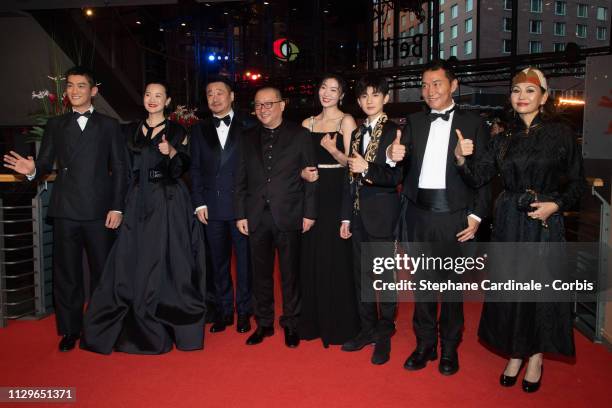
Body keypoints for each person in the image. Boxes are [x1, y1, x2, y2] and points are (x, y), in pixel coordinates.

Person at [454, 67, 585, 392]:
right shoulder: (502, 139)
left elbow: (578, 183)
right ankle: (515, 352)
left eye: (529, 91)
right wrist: (459, 159)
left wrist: (556, 205)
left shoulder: (561, 134)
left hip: (543, 222)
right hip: (510, 222)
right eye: (516, 91)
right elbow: (477, 177)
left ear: (544, 95)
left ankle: (536, 356)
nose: (522, 97)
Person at [3, 66, 127, 352]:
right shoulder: (56, 124)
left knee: (102, 273)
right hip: (66, 209)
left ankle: (101, 326)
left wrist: (118, 207)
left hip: (99, 210)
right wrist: (33, 170)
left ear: (93, 91)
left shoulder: (109, 125)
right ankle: (70, 330)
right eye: (70, 86)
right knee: (67, 274)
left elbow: (121, 169)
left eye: (81, 86)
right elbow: (45, 163)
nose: (74, 91)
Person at [80, 81, 206, 354]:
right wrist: (118, 206)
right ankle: (132, 308)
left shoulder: (178, 130)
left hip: (168, 200)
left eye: (159, 95)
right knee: (132, 256)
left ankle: (167, 309)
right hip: (137, 199)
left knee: (168, 257)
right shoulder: (129, 130)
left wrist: (171, 153)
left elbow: (184, 166)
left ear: (167, 100)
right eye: (148, 94)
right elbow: (122, 171)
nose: (152, 99)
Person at [386, 60, 490, 375]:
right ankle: (425, 345)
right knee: (422, 286)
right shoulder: (413, 123)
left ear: (453, 85)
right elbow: (403, 166)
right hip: (418, 215)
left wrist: (476, 216)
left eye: (437, 83)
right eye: (425, 84)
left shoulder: (474, 124)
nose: (430, 91)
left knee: (453, 289)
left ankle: (449, 348)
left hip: (455, 218)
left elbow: (485, 177)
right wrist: (393, 158)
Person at [234, 86, 317, 348]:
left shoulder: (301, 135)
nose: (263, 109)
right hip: (256, 216)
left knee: (290, 274)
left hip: (290, 214)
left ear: (283, 105)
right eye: (258, 105)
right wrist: (240, 214)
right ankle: (265, 324)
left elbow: (311, 176)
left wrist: (310, 212)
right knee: (260, 274)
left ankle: (291, 323)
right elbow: (240, 179)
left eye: (269, 104)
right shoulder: (246, 137)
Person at [339, 76, 402, 365]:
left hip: (383, 217)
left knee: (385, 280)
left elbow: (396, 178)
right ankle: (366, 329)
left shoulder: (395, 132)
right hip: (357, 215)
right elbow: (348, 179)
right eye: (363, 96)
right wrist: (345, 218)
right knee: (360, 277)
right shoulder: (356, 134)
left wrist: (370, 167)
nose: (369, 100)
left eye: (375, 95)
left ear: (385, 98)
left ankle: (384, 334)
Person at [298, 74, 360, 347]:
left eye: (334, 89)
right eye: (323, 87)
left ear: (342, 95)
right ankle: (312, 320)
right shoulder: (306, 123)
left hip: (336, 192)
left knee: (335, 255)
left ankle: (339, 322)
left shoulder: (346, 120)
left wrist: (334, 151)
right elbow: (295, 162)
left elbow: (353, 163)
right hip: (311, 192)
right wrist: (301, 172)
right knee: (311, 255)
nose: (327, 93)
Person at [190, 77, 254, 334]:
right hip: (211, 207)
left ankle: (245, 311)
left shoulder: (249, 125)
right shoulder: (198, 129)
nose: (214, 98)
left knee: (245, 263)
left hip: (241, 208)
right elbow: (194, 169)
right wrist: (198, 202)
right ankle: (224, 311)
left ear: (232, 96)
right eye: (209, 94)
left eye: (220, 92)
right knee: (217, 263)